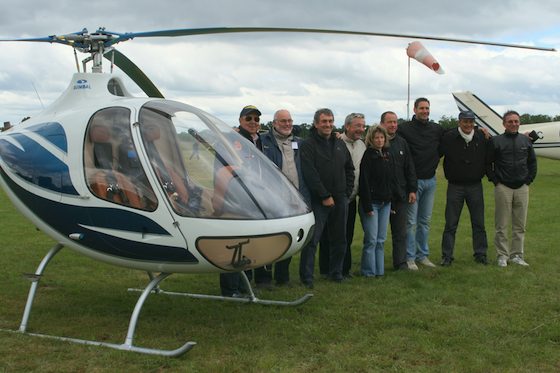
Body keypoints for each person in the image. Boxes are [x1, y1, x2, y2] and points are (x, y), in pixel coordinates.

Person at [299, 108, 354, 288]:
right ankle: (307, 276)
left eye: (330, 121)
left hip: (340, 198)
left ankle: (335, 272)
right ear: (316, 123)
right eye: (324, 121)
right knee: (313, 240)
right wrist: (324, 196)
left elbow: (349, 168)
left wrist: (346, 192)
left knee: (340, 238)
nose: (328, 125)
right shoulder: (308, 145)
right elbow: (310, 173)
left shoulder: (339, 144)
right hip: (318, 200)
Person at [219, 105, 268, 296]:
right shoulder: (232, 140)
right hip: (237, 199)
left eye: (256, 119)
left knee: (249, 244)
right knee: (234, 244)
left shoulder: (259, 140)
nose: (253, 122)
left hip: (256, 198)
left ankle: (244, 284)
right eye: (249, 119)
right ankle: (229, 289)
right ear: (240, 121)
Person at [261, 109, 309, 286]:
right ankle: (264, 278)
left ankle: (283, 277)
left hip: (295, 199)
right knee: (268, 240)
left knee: (288, 239)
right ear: (274, 123)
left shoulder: (300, 143)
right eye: (283, 121)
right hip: (272, 199)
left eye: (289, 121)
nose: (287, 124)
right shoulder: (264, 141)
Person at [398, 97, 444, 270]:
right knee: (410, 222)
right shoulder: (404, 129)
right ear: (415, 110)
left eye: (427, 108)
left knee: (424, 221)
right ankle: (409, 257)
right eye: (422, 108)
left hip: (430, 181)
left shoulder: (436, 129)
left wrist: (482, 132)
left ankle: (422, 255)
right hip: (412, 182)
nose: (425, 111)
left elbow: (452, 138)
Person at [439, 110, 490, 266]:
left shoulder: (481, 136)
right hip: (455, 186)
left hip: (475, 185)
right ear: (459, 122)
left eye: (470, 121)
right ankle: (447, 256)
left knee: (479, 223)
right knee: (451, 223)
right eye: (465, 121)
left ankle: (480, 254)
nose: (468, 124)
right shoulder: (449, 137)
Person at [487, 110, 537, 267]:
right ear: (504, 124)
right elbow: (487, 164)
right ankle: (502, 255)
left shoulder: (525, 141)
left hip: (522, 187)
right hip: (503, 187)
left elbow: (532, 162)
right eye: (510, 121)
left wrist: (528, 180)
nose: (514, 124)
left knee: (520, 225)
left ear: (519, 123)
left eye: (516, 121)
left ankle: (517, 255)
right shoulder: (496, 141)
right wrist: (496, 181)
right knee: (501, 224)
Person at [319, 113, 366, 279]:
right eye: (357, 126)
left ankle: (344, 269)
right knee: (327, 235)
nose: (361, 129)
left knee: (347, 235)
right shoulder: (336, 142)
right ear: (347, 126)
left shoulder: (362, 145)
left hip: (350, 198)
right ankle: (325, 269)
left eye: (363, 125)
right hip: (333, 198)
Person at [379, 111, 417, 270]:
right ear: (382, 124)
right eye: (390, 122)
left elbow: (409, 168)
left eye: (395, 122)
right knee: (377, 236)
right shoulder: (376, 142)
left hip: (400, 195)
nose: (393, 125)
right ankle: (376, 266)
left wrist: (412, 189)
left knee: (400, 233)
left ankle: (400, 263)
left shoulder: (402, 143)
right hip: (379, 197)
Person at [358, 125, 394, 277]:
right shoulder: (368, 156)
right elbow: (364, 182)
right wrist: (367, 206)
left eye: (382, 137)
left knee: (381, 240)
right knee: (371, 240)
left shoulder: (386, 155)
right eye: (376, 138)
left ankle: (380, 271)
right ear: (371, 139)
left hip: (385, 204)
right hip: (371, 204)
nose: (379, 140)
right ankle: (368, 272)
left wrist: (391, 201)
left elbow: (390, 180)